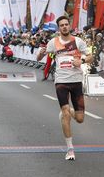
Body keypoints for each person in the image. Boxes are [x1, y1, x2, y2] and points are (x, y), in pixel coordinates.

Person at [36, 16, 93, 160]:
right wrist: (41, 53)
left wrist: (82, 60)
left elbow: (91, 56)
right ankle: (70, 150)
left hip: (76, 81)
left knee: (80, 119)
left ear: (70, 26)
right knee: (65, 112)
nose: (64, 27)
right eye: (61, 25)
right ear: (58, 28)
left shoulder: (78, 42)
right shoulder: (53, 43)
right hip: (61, 81)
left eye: (66, 24)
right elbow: (38, 58)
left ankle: (68, 112)